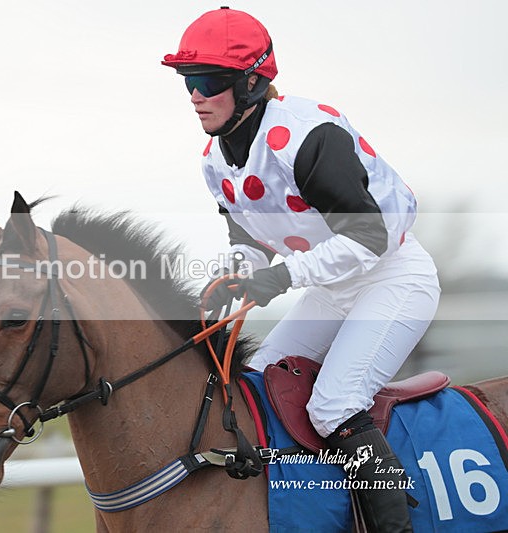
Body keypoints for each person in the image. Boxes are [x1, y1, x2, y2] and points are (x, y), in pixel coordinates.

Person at [162, 7, 440, 532]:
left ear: (251, 83)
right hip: (333, 290)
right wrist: (235, 277)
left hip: (394, 279)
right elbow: (250, 241)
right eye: (187, 81)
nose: (195, 95)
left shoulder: (310, 137)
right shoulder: (215, 161)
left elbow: (370, 239)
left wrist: (281, 278)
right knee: (256, 388)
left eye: (208, 81)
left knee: (334, 405)